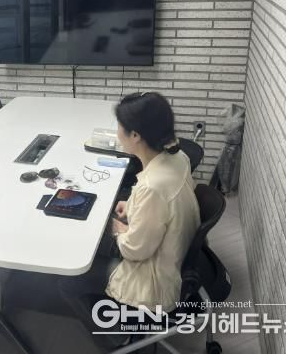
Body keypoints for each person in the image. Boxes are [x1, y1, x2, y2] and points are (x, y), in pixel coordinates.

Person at [59, 91, 201, 339]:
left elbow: (134, 250)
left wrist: (116, 227)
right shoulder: (178, 157)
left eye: (119, 128)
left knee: (69, 277)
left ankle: (115, 338)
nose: (117, 134)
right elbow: (161, 206)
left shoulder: (152, 188)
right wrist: (133, 205)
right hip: (172, 254)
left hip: (151, 283)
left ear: (135, 135)